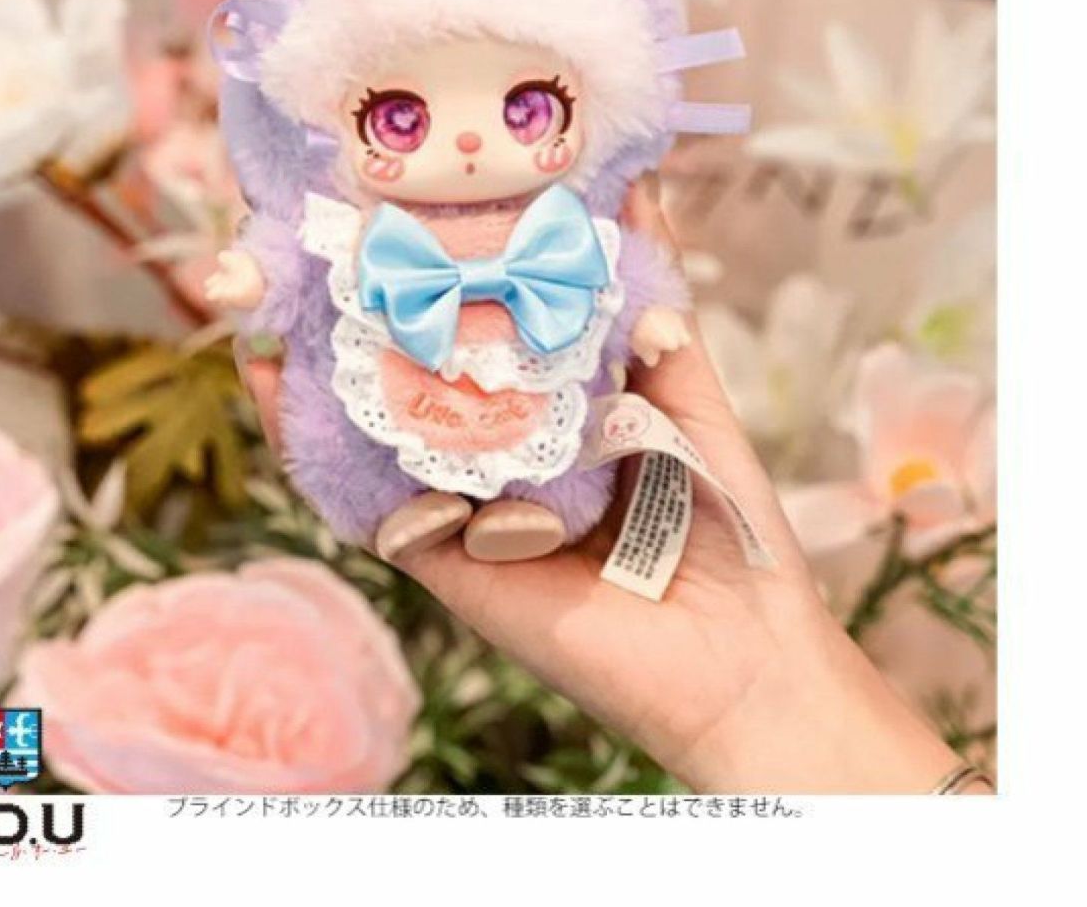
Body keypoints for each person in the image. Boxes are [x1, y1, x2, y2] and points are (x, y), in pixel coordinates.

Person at [243, 178, 993, 795]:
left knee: (571, 440)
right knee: (349, 426)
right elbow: (302, 256)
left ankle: (534, 514)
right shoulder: (365, 223)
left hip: (534, 420)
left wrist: (646, 315)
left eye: (526, 110)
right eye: (402, 117)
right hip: (405, 388)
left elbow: (624, 279)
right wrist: (259, 272)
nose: (467, 142)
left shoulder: (562, 233)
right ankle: (401, 507)